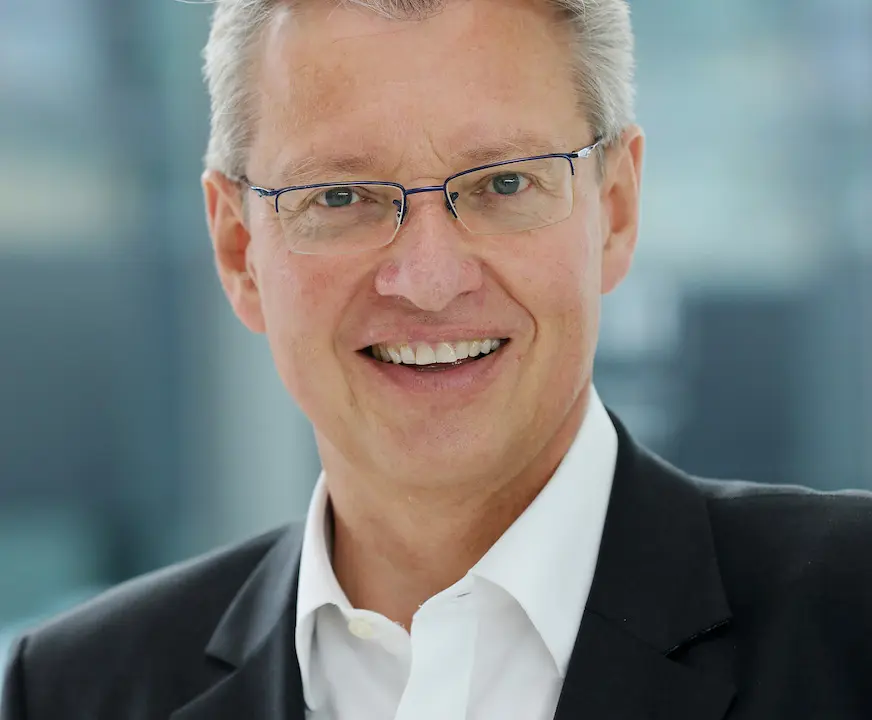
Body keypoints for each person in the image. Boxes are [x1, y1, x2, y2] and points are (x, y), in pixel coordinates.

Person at [3, 0, 872, 718]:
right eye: (340, 195)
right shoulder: (74, 693)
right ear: (239, 250)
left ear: (613, 209)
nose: (427, 281)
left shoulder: (852, 617)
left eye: (503, 184)